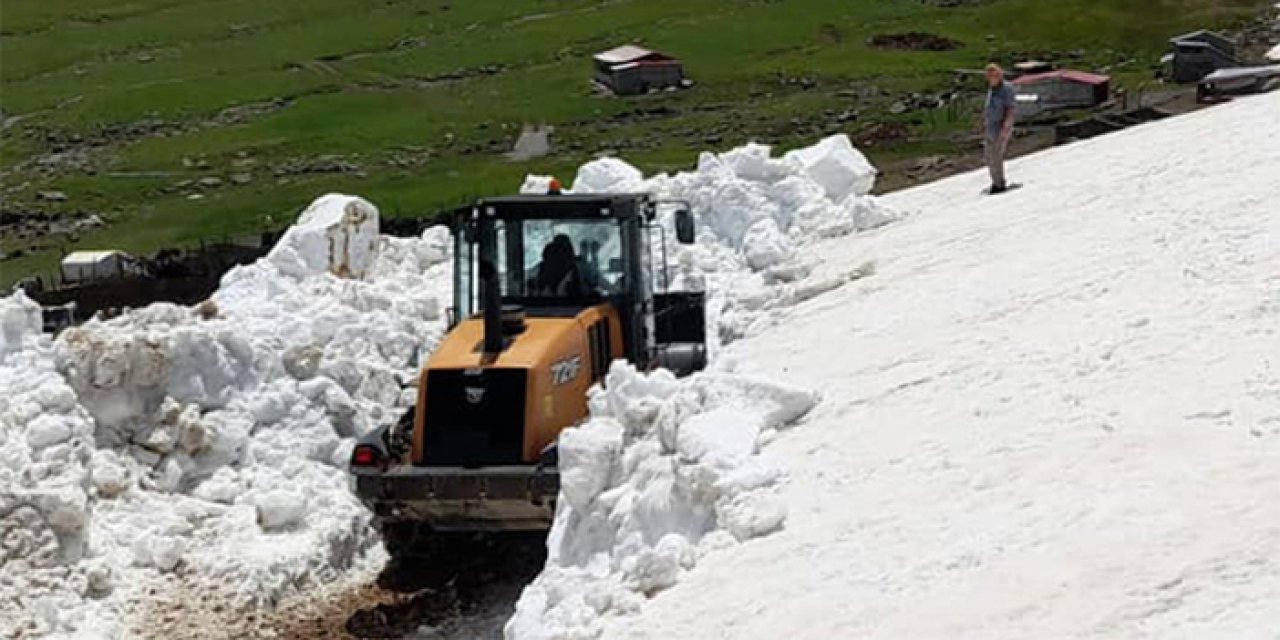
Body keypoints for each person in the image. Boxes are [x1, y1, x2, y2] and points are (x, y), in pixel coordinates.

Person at [982, 63, 1018, 194]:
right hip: (990, 127)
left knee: (996, 155)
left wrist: (1006, 127)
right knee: (989, 156)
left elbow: (1010, 108)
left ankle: (999, 183)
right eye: (989, 75)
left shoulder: (1006, 88)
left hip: (1000, 127)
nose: (992, 77)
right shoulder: (991, 89)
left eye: (994, 74)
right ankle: (995, 181)